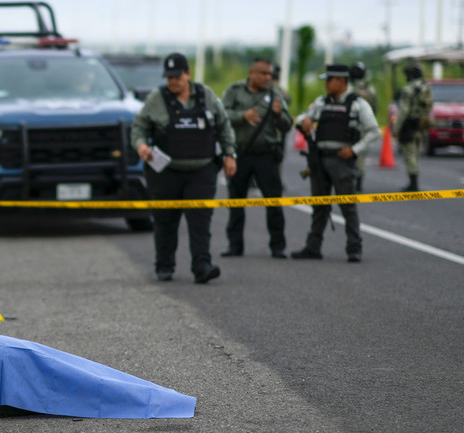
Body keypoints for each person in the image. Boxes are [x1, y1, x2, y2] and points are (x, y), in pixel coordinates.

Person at [131, 52, 237, 284]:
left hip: (201, 170)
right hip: (166, 172)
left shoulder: (206, 95)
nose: (172, 81)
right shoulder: (156, 98)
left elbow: (223, 126)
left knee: (200, 221)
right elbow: (139, 127)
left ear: (188, 74)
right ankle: (164, 266)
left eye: (177, 76)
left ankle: (202, 266)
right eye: (169, 77)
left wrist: (230, 154)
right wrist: (141, 146)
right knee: (165, 220)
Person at [291, 64, 380, 263]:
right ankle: (313, 247)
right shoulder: (322, 102)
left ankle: (354, 248)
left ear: (341, 81)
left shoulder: (357, 104)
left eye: (329, 80)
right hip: (319, 160)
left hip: (342, 161)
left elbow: (374, 131)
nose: (326, 84)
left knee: (347, 206)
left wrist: (355, 149)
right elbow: (303, 117)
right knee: (319, 206)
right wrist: (304, 120)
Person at [220, 58, 293, 259]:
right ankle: (234, 246)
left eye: (270, 74)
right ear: (252, 73)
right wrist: (242, 116)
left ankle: (278, 246)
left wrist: (279, 115)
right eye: (263, 73)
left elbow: (287, 125)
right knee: (236, 201)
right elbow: (222, 115)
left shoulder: (274, 94)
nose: (267, 78)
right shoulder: (234, 91)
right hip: (240, 154)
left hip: (266, 156)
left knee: (274, 201)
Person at [390, 63, 433, 192]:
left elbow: (403, 110)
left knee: (410, 153)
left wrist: (396, 129)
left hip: (409, 124)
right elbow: (429, 106)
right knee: (417, 151)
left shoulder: (409, 89)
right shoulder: (426, 87)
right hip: (422, 123)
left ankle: (413, 183)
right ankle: (414, 180)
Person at [349, 62, 379, 191]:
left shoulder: (348, 88)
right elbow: (375, 108)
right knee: (361, 154)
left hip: (350, 125)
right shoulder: (370, 89)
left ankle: (349, 180)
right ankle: (359, 181)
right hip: (365, 126)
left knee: (349, 152)